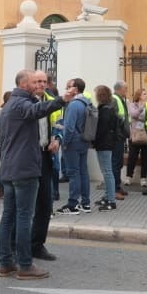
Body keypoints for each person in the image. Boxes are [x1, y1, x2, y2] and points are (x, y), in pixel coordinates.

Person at [0, 69, 62, 280]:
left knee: (9, 216)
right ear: (25, 84)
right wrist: (63, 99)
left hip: (10, 166)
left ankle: (6, 262)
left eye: (42, 81)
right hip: (25, 167)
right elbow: (36, 111)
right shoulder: (23, 103)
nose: (39, 85)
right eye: (35, 82)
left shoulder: (8, 105)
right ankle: (25, 265)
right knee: (24, 216)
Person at [56, 78, 92, 214]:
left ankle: (72, 204)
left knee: (73, 173)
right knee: (83, 172)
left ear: (76, 89)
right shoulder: (86, 102)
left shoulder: (73, 105)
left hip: (72, 143)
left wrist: (64, 143)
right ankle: (85, 203)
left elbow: (69, 128)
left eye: (69, 87)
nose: (66, 90)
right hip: (83, 141)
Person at [91, 85, 122, 211]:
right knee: (107, 171)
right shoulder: (109, 108)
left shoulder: (105, 110)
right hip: (108, 144)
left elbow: (101, 130)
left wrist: (93, 141)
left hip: (104, 144)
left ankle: (111, 200)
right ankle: (107, 196)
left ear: (100, 96)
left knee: (107, 172)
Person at [124, 87, 147, 187]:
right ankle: (128, 177)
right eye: (144, 94)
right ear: (139, 95)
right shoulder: (132, 105)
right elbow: (133, 114)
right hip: (135, 134)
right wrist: (141, 107)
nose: (146, 95)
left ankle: (143, 179)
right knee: (132, 157)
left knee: (146, 158)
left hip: (145, 134)